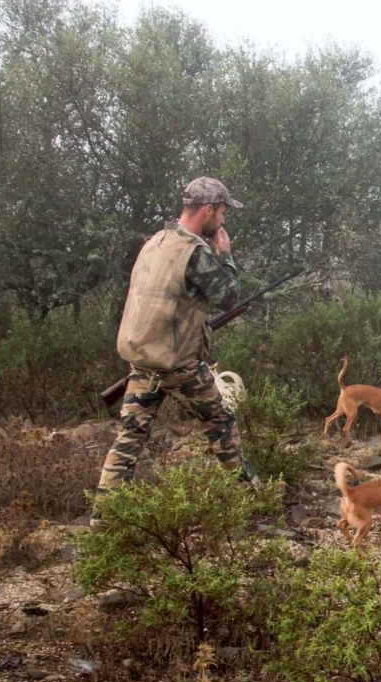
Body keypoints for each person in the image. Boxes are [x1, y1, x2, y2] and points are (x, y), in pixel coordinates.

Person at [93, 177, 260, 525]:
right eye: (223, 213)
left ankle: (103, 522)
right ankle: (254, 503)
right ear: (209, 210)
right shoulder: (195, 251)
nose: (224, 221)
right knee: (221, 423)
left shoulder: (155, 241)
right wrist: (225, 255)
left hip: (143, 363)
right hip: (180, 366)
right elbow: (229, 295)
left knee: (129, 439)